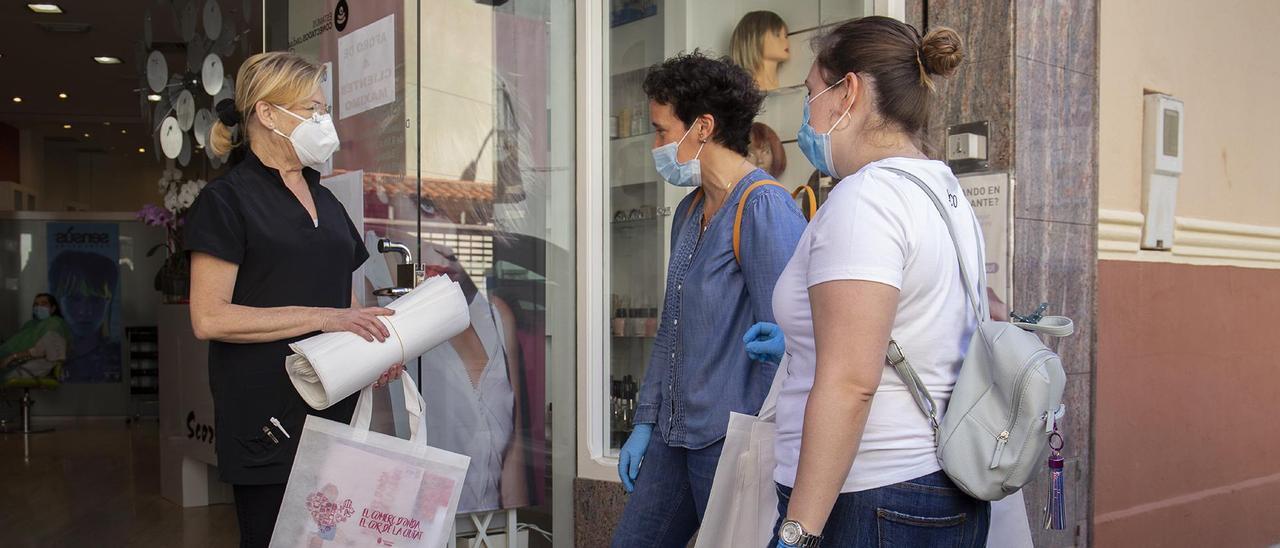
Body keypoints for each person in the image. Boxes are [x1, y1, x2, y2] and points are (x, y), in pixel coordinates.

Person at [756, 17, 991, 547]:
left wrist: (797, 532)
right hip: (935, 487)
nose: (807, 115)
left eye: (813, 93)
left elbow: (850, 384)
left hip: (867, 498)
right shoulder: (942, 191)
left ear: (849, 93)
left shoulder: (867, 200)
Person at [187, 52, 404, 548]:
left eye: (324, 110)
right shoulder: (226, 202)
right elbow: (209, 317)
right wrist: (324, 319)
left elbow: (347, 305)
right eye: (312, 109)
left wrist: (374, 351)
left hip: (337, 406)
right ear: (267, 113)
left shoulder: (326, 201)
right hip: (268, 417)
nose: (323, 122)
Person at [611, 52, 807, 548]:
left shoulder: (763, 206)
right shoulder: (689, 209)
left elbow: (790, 343)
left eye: (660, 130)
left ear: (702, 127)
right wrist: (646, 422)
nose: (655, 146)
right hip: (674, 435)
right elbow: (670, 328)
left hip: (732, 441)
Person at [415, 242, 529, 513]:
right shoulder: (385, 312)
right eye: (430, 211)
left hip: (486, 523)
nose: (449, 247)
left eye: (467, 227)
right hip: (419, 525)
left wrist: (510, 530)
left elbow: (516, 444)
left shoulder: (496, 316)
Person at [49, 251, 120, 382]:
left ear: (108, 302)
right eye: (74, 299)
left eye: (95, 300)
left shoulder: (118, 358)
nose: (84, 311)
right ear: (57, 301)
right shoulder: (44, 355)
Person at [0, 294, 70, 381]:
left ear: (53, 308)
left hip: (27, 364)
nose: (39, 307)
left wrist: (12, 357)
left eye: (43, 304)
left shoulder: (54, 324)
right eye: (36, 304)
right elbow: (15, 343)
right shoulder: (31, 325)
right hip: (12, 362)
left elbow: (41, 350)